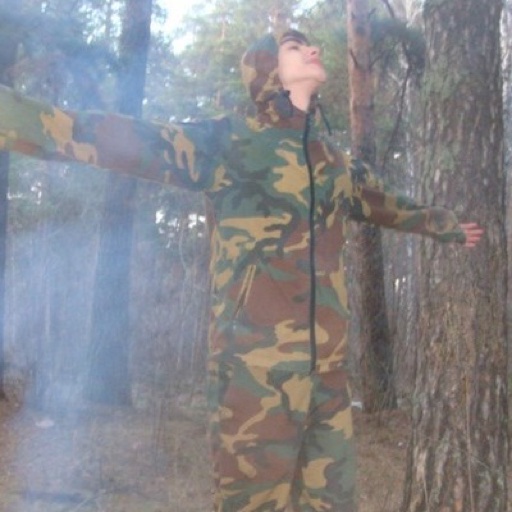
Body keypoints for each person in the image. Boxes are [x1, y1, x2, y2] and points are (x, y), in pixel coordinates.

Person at [0, 28, 482, 511]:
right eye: (294, 48)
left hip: (329, 378)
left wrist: (445, 225)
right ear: (267, 71)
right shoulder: (230, 143)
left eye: (309, 44)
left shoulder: (334, 163)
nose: (312, 50)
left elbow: (386, 203)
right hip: (254, 375)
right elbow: (118, 139)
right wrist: (12, 115)